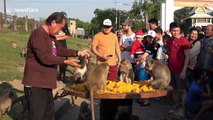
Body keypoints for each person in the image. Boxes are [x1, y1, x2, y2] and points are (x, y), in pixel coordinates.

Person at [22, 12, 90, 120]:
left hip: (46, 84)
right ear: (53, 22)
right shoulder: (38, 34)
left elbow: (59, 50)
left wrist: (78, 53)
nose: (60, 31)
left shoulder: (50, 36)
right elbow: (44, 57)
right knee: (38, 116)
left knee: (49, 115)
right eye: (60, 27)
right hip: (36, 84)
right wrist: (65, 62)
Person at [164, 22, 190, 113]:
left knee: (182, 90)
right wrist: (167, 56)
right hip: (171, 69)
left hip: (180, 70)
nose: (176, 32)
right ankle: (176, 106)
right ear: (170, 30)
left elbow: (187, 56)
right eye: (174, 31)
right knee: (174, 89)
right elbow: (170, 53)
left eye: (177, 31)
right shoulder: (170, 41)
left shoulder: (184, 41)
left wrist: (184, 70)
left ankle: (184, 109)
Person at [54, 12, 71, 82]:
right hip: (54, 45)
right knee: (54, 61)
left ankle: (62, 77)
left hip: (63, 45)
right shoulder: (54, 24)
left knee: (64, 62)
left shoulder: (65, 26)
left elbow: (67, 35)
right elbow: (52, 35)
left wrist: (58, 37)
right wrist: (56, 37)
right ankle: (53, 76)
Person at [197, 24, 213, 92]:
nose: (205, 31)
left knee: (209, 90)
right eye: (205, 29)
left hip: (210, 71)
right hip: (200, 69)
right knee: (201, 90)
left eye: (208, 30)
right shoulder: (201, 40)